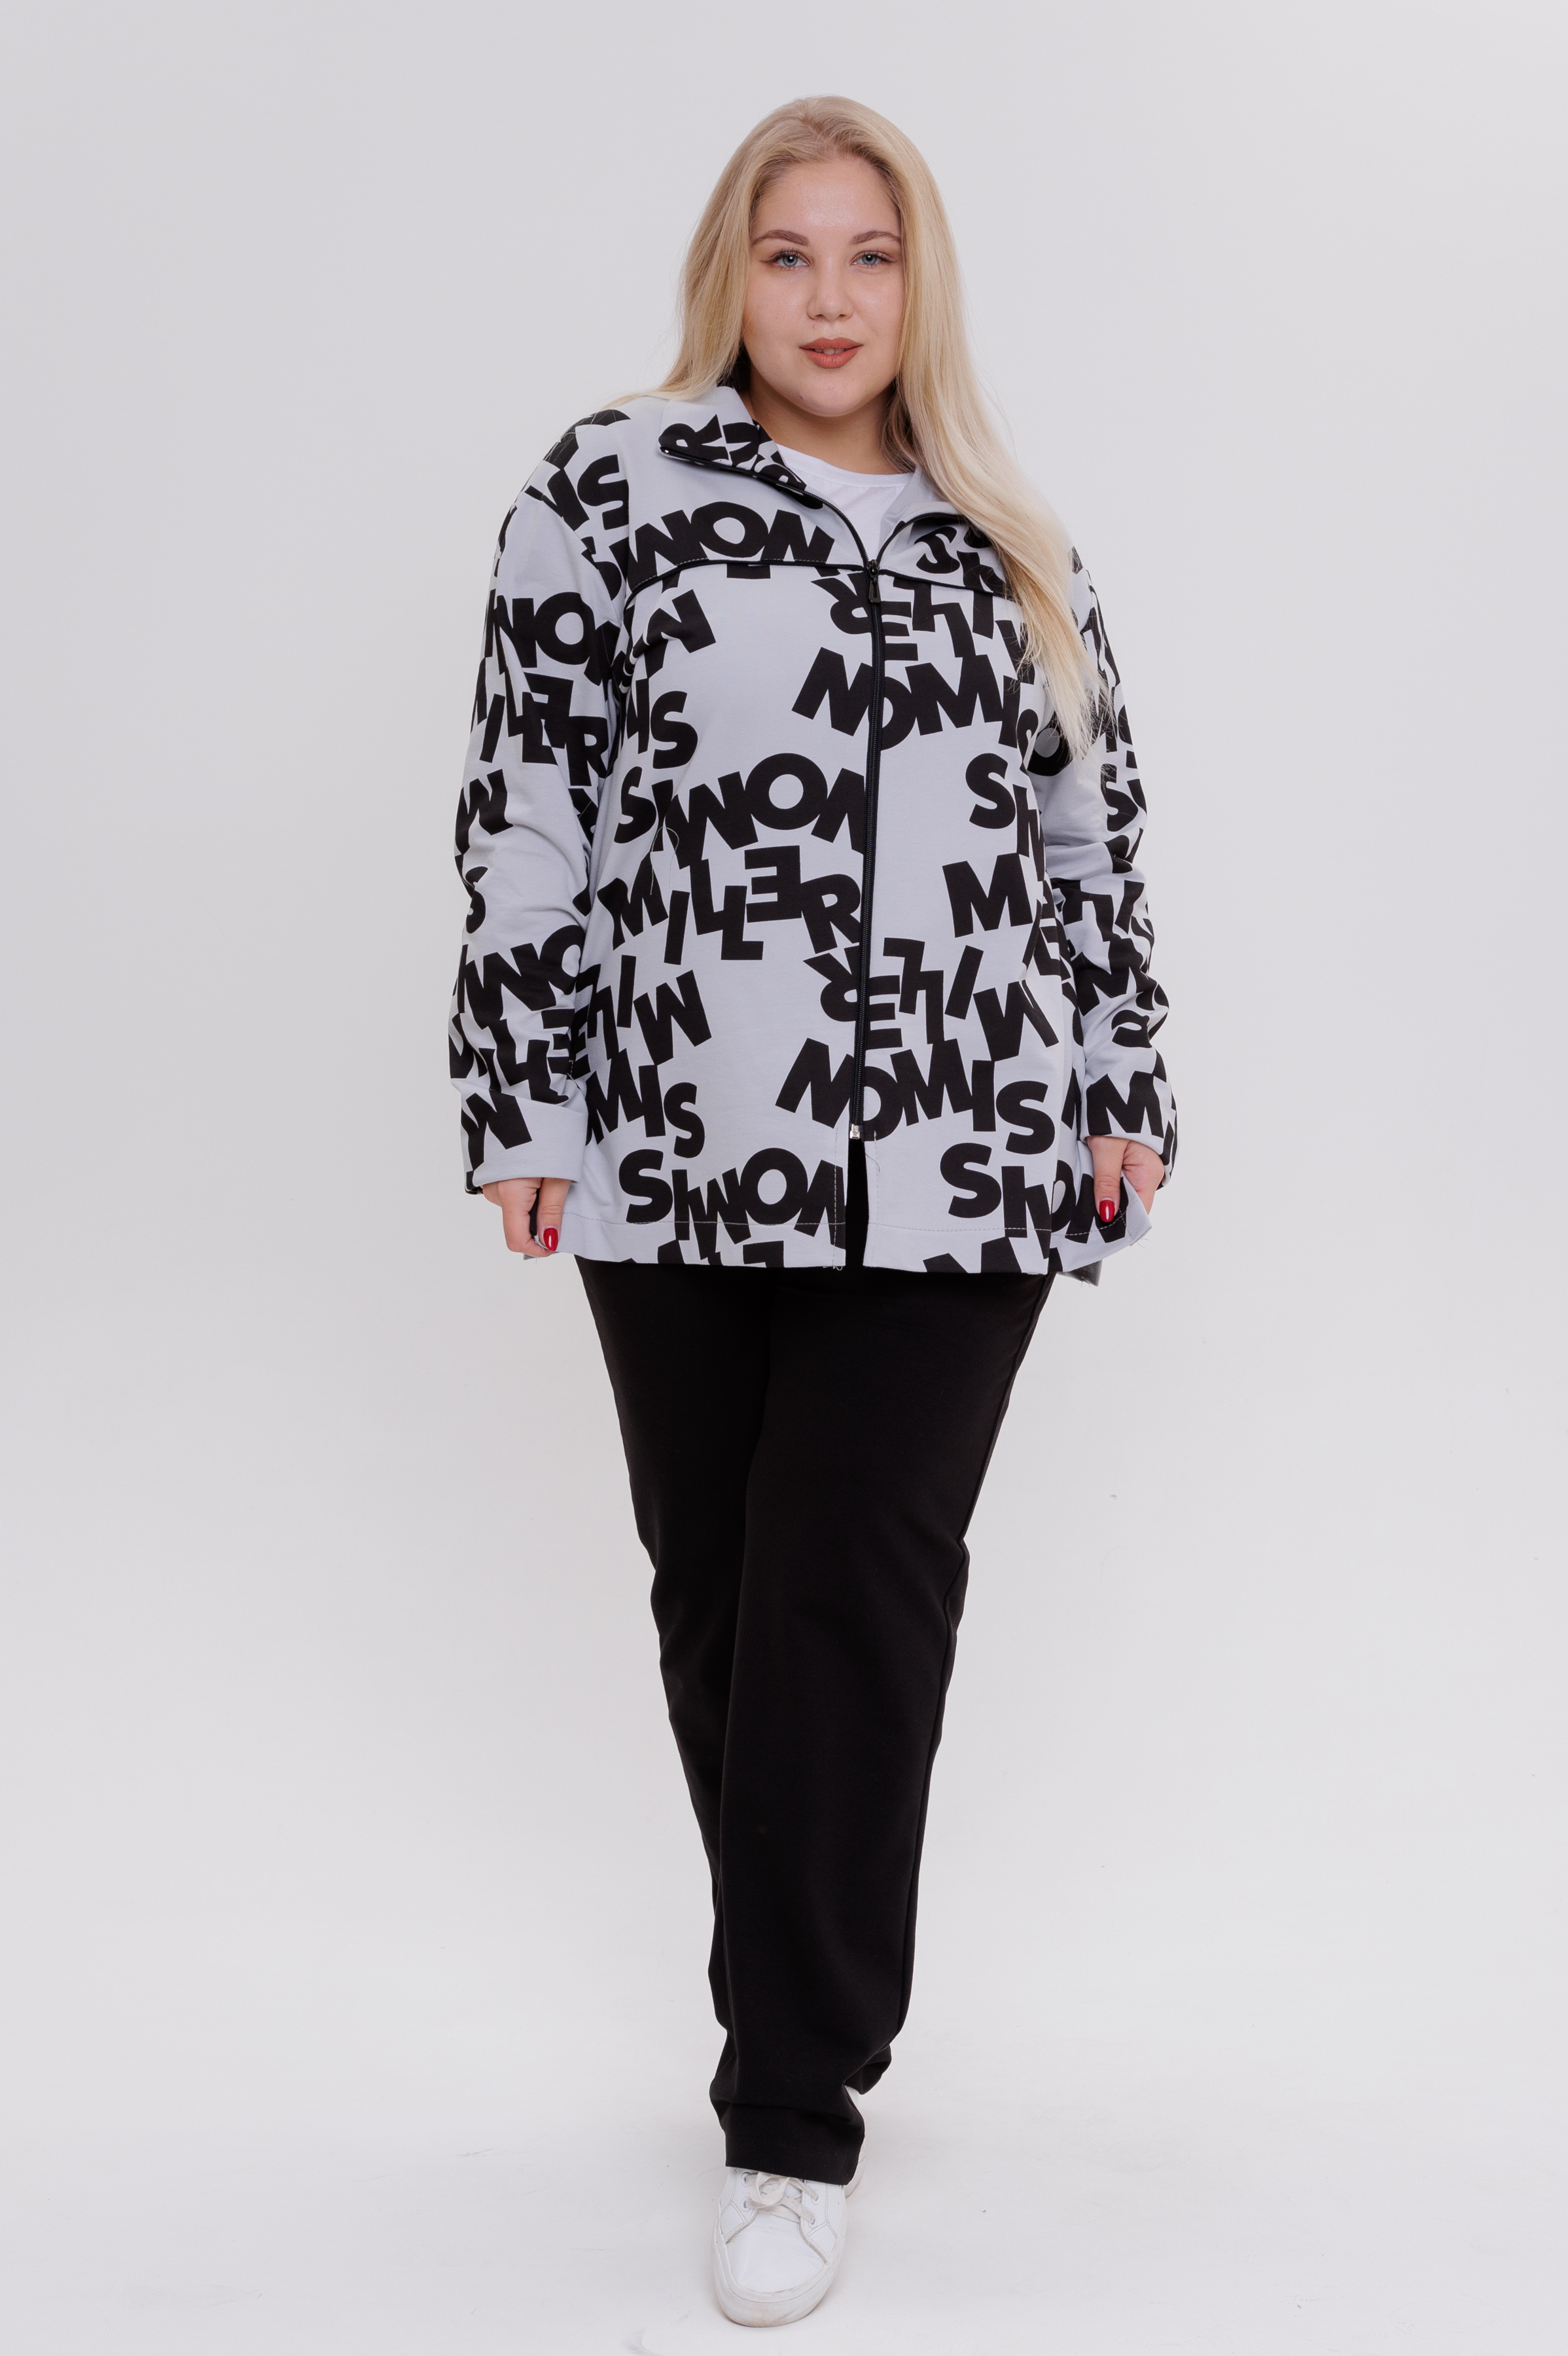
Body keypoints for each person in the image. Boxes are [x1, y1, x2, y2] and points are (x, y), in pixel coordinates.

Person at [448, 94, 1175, 2329]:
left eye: (870, 255)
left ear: (917, 281)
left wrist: (1124, 1083)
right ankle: (805, 1986)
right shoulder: (606, 494)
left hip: (965, 1153)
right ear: (733, 277)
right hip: (673, 1135)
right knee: (726, 1608)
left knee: (855, 1592)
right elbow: (531, 807)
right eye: (790, 255)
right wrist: (519, 1098)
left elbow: (1091, 842)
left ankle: (790, 2114)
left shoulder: (1005, 540)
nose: (832, 298)